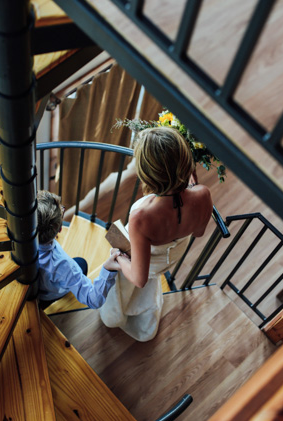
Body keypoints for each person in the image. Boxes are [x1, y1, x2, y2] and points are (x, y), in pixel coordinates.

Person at [99, 126, 213, 341]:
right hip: (171, 258)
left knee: (121, 276)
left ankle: (115, 316)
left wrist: (118, 257)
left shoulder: (142, 215)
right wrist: (193, 185)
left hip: (145, 264)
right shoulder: (203, 193)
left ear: (146, 172)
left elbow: (138, 279)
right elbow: (198, 232)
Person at [36, 190, 121, 309]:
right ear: (60, 229)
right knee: (82, 263)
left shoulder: (16, 241)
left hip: (37, 293)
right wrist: (108, 269)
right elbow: (94, 300)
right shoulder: (64, 265)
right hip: (49, 294)